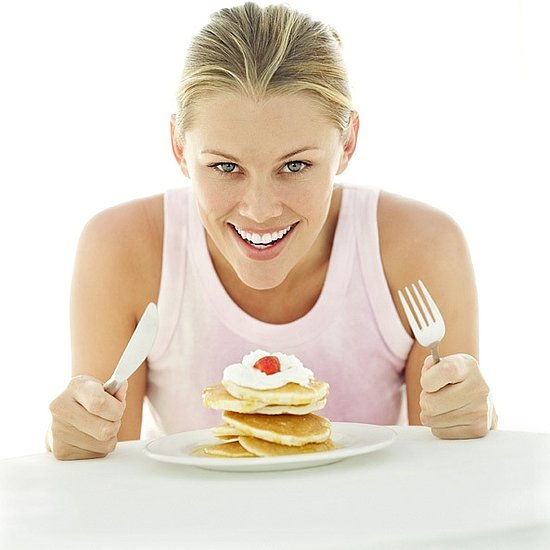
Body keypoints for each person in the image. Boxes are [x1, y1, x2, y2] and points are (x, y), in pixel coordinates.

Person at [47, 2, 496, 460]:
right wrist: (72, 437)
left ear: (347, 144)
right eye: (226, 166)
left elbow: (448, 467)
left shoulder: (422, 247)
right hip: (190, 529)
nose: (260, 210)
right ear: (180, 148)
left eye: (295, 165)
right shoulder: (122, 249)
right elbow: (103, 474)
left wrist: (474, 418)